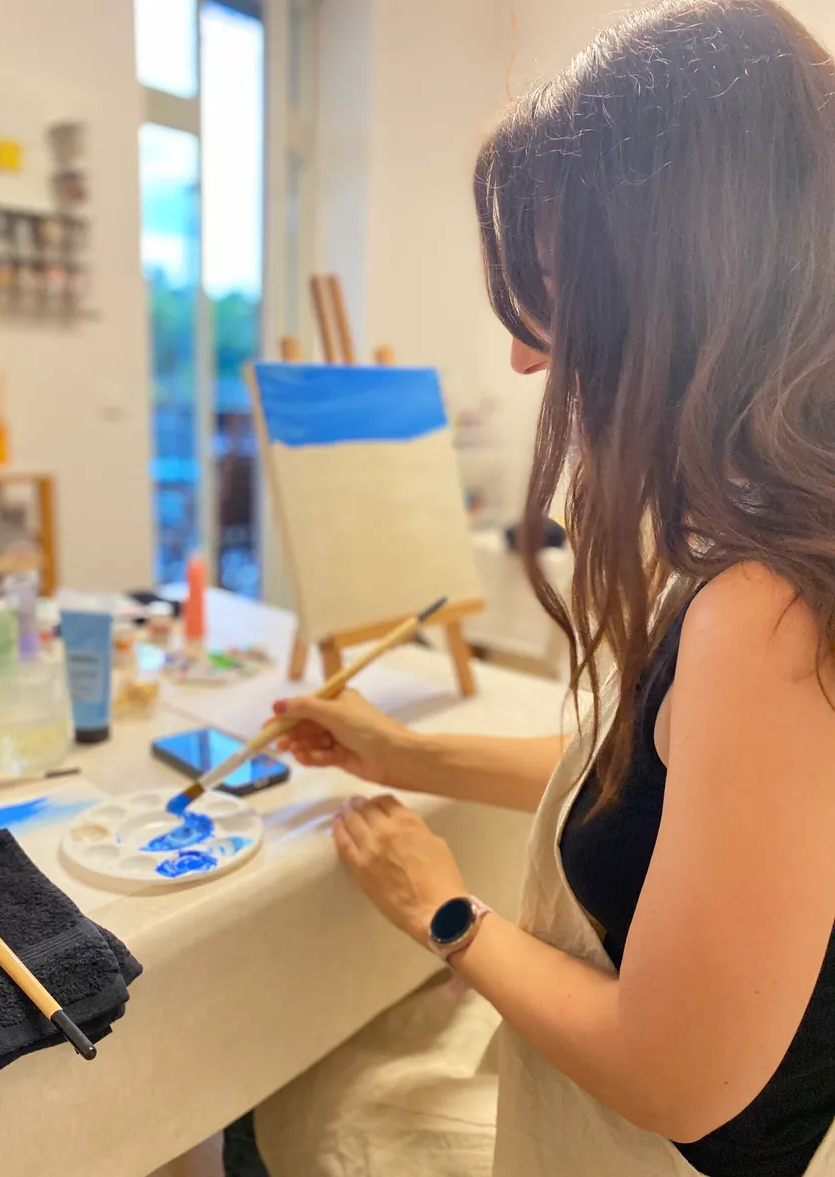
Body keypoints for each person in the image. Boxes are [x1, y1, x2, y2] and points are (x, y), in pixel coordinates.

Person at [247, 2, 835, 1174]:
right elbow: (670, 796)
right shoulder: (770, 536)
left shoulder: (769, 611)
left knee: (289, 1111)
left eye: (556, 287)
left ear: (690, 278)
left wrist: (444, 911)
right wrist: (402, 753)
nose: (524, 352)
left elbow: (678, 1078)